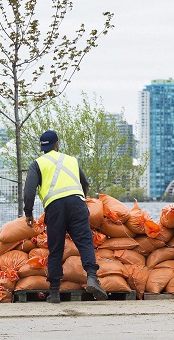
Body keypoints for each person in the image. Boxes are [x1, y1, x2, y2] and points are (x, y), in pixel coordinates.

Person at [24, 130, 108, 303]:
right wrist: (81, 199)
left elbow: (29, 191)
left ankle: (54, 292)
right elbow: (85, 182)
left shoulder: (37, 164)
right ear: (57, 144)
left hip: (55, 207)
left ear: (43, 147)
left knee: (56, 248)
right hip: (76, 204)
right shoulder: (71, 160)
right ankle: (92, 276)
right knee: (85, 242)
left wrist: (29, 213)